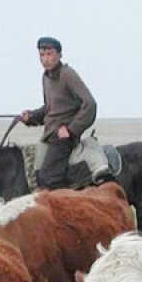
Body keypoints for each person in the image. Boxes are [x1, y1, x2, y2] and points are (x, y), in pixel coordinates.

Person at [19, 36, 97, 190]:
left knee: (48, 177)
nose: (45, 59)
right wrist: (31, 116)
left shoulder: (67, 74)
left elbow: (90, 104)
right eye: (42, 55)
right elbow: (50, 108)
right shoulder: (46, 77)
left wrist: (71, 129)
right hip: (50, 135)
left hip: (62, 137)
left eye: (49, 54)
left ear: (59, 55)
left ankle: (68, 202)